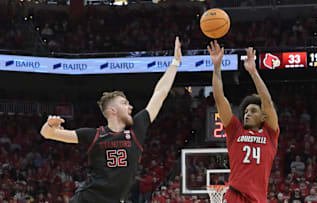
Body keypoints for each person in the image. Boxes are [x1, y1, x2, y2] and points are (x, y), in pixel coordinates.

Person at [40, 37, 182, 203]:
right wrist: (50, 124)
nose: (130, 107)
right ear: (112, 110)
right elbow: (47, 134)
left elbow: (160, 93)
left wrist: (175, 63)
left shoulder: (137, 128)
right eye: (124, 103)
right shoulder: (94, 135)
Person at [208, 40, 279, 202]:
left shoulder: (270, 133)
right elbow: (219, 98)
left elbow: (267, 102)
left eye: (253, 111)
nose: (247, 114)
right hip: (235, 196)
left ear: (263, 117)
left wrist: (253, 72)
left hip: (258, 199)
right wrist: (217, 67)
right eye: (246, 111)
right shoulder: (235, 130)